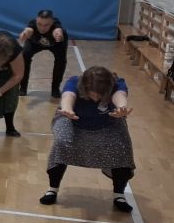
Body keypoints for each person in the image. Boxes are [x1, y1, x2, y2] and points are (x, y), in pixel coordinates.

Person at [40, 66, 135, 212]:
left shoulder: (117, 83)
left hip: (106, 123)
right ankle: (52, 189)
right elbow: (68, 96)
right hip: (72, 119)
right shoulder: (75, 82)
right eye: (93, 94)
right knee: (62, 143)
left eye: (100, 95)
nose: (96, 98)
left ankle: (119, 195)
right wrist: (67, 109)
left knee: (122, 147)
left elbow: (120, 96)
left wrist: (121, 108)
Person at [18, 9, 68, 98]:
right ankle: (23, 88)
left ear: (52, 22)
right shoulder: (33, 23)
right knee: (24, 56)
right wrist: (24, 33)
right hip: (34, 43)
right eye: (39, 24)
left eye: (46, 25)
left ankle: (55, 88)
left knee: (61, 61)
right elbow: (28, 30)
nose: (42, 28)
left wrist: (58, 35)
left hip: (56, 44)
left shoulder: (56, 25)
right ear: (36, 20)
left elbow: (57, 30)